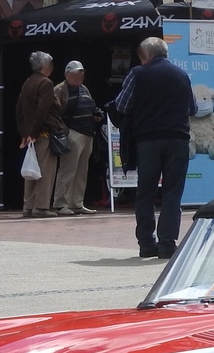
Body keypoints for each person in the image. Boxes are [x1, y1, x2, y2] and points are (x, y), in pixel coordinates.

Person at [111, 36, 192, 258]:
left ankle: (146, 243)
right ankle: (168, 244)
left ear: (146, 55)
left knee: (145, 192)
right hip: (178, 139)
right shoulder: (182, 75)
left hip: (148, 140)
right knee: (172, 193)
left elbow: (122, 105)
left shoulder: (138, 73)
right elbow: (192, 108)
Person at [16, 51, 63, 220]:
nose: (52, 67)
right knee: (45, 170)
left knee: (31, 170)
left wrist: (25, 133)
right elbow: (42, 110)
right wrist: (34, 133)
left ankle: (28, 206)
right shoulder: (46, 83)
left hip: (31, 135)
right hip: (42, 133)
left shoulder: (28, 82)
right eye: (50, 64)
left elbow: (19, 110)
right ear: (44, 66)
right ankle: (41, 206)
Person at [51, 60, 101, 216]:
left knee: (81, 170)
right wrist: (66, 132)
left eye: (82, 73)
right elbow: (54, 113)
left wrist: (96, 116)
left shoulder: (84, 89)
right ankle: (60, 203)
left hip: (87, 133)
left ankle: (76, 203)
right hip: (73, 133)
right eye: (77, 73)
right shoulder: (60, 90)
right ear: (67, 74)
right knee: (68, 170)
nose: (80, 76)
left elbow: (90, 106)